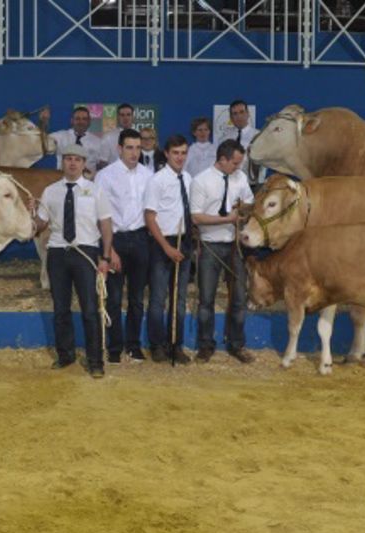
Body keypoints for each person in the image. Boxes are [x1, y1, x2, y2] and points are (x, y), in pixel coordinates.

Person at [33, 144, 116, 378]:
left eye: (77, 159)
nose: (72, 163)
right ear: (62, 162)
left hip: (86, 253)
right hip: (58, 253)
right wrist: (31, 214)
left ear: (83, 164)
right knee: (61, 309)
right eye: (68, 158)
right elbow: (40, 225)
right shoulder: (50, 191)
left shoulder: (95, 190)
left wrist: (106, 257)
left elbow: (106, 225)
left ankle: (95, 361)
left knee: (90, 309)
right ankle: (65, 355)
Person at [190, 139, 255, 364]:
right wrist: (228, 219)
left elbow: (249, 204)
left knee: (239, 298)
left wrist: (244, 212)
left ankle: (236, 345)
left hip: (235, 245)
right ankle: (205, 345)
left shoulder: (241, 178)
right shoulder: (201, 180)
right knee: (206, 300)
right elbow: (196, 217)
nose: (238, 167)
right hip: (210, 246)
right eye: (235, 163)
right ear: (222, 159)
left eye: (239, 163)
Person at [96, 128, 153, 363]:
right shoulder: (105, 176)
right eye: (129, 147)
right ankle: (114, 348)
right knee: (114, 298)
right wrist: (109, 250)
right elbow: (99, 216)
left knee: (137, 299)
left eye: (138, 148)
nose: (134, 153)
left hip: (141, 240)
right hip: (115, 239)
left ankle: (133, 346)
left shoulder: (148, 175)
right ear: (119, 149)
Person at [143, 134, 193, 364]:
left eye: (183, 153)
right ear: (166, 154)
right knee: (158, 298)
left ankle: (176, 344)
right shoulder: (157, 180)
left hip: (185, 241)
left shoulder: (189, 179)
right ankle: (157, 345)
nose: (180, 157)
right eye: (175, 153)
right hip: (162, 243)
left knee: (179, 299)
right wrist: (166, 247)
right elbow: (149, 217)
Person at [48, 106, 101, 176]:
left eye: (84, 119)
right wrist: (43, 123)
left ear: (89, 121)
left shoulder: (98, 142)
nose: (81, 122)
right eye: (77, 119)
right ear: (72, 121)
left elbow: (101, 165)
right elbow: (42, 143)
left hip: (87, 180)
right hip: (63, 178)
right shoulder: (60, 136)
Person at [99, 103, 135, 169]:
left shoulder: (139, 137)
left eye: (128, 115)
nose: (125, 118)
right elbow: (103, 162)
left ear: (133, 117)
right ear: (118, 118)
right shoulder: (108, 137)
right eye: (122, 115)